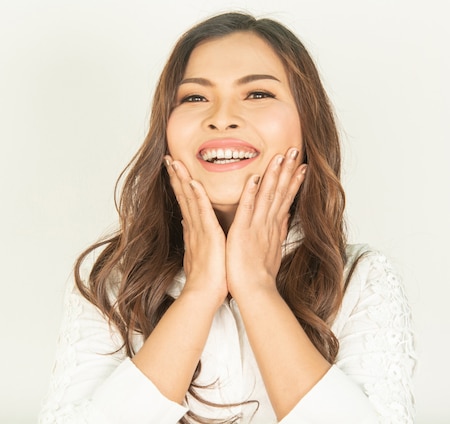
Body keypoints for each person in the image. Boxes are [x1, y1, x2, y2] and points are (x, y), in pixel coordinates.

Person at [38, 11, 416, 424]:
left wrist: (257, 289)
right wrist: (200, 293)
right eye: (195, 98)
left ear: (309, 126)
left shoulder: (360, 279)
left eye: (257, 94)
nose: (221, 117)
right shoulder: (111, 278)